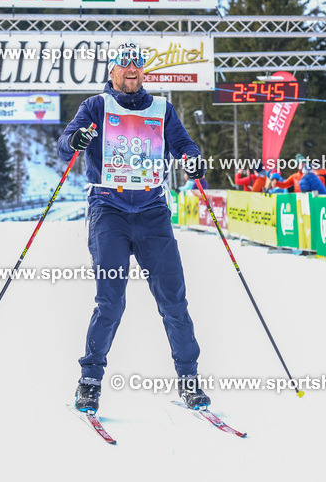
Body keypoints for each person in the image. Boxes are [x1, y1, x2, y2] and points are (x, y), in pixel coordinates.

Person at [58, 42, 211, 414]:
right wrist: (75, 140)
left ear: (144, 71)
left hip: (152, 211)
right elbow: (65, 147)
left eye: (138, 63)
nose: (132, 68)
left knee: (174, 300)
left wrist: (193, 160)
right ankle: (89, 382)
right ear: (112, 71)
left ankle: (189, 381)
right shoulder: (95, 106)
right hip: (108, 210)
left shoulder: (161, 109)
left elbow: (184, 146)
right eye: (124, 62)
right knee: (111, 301)